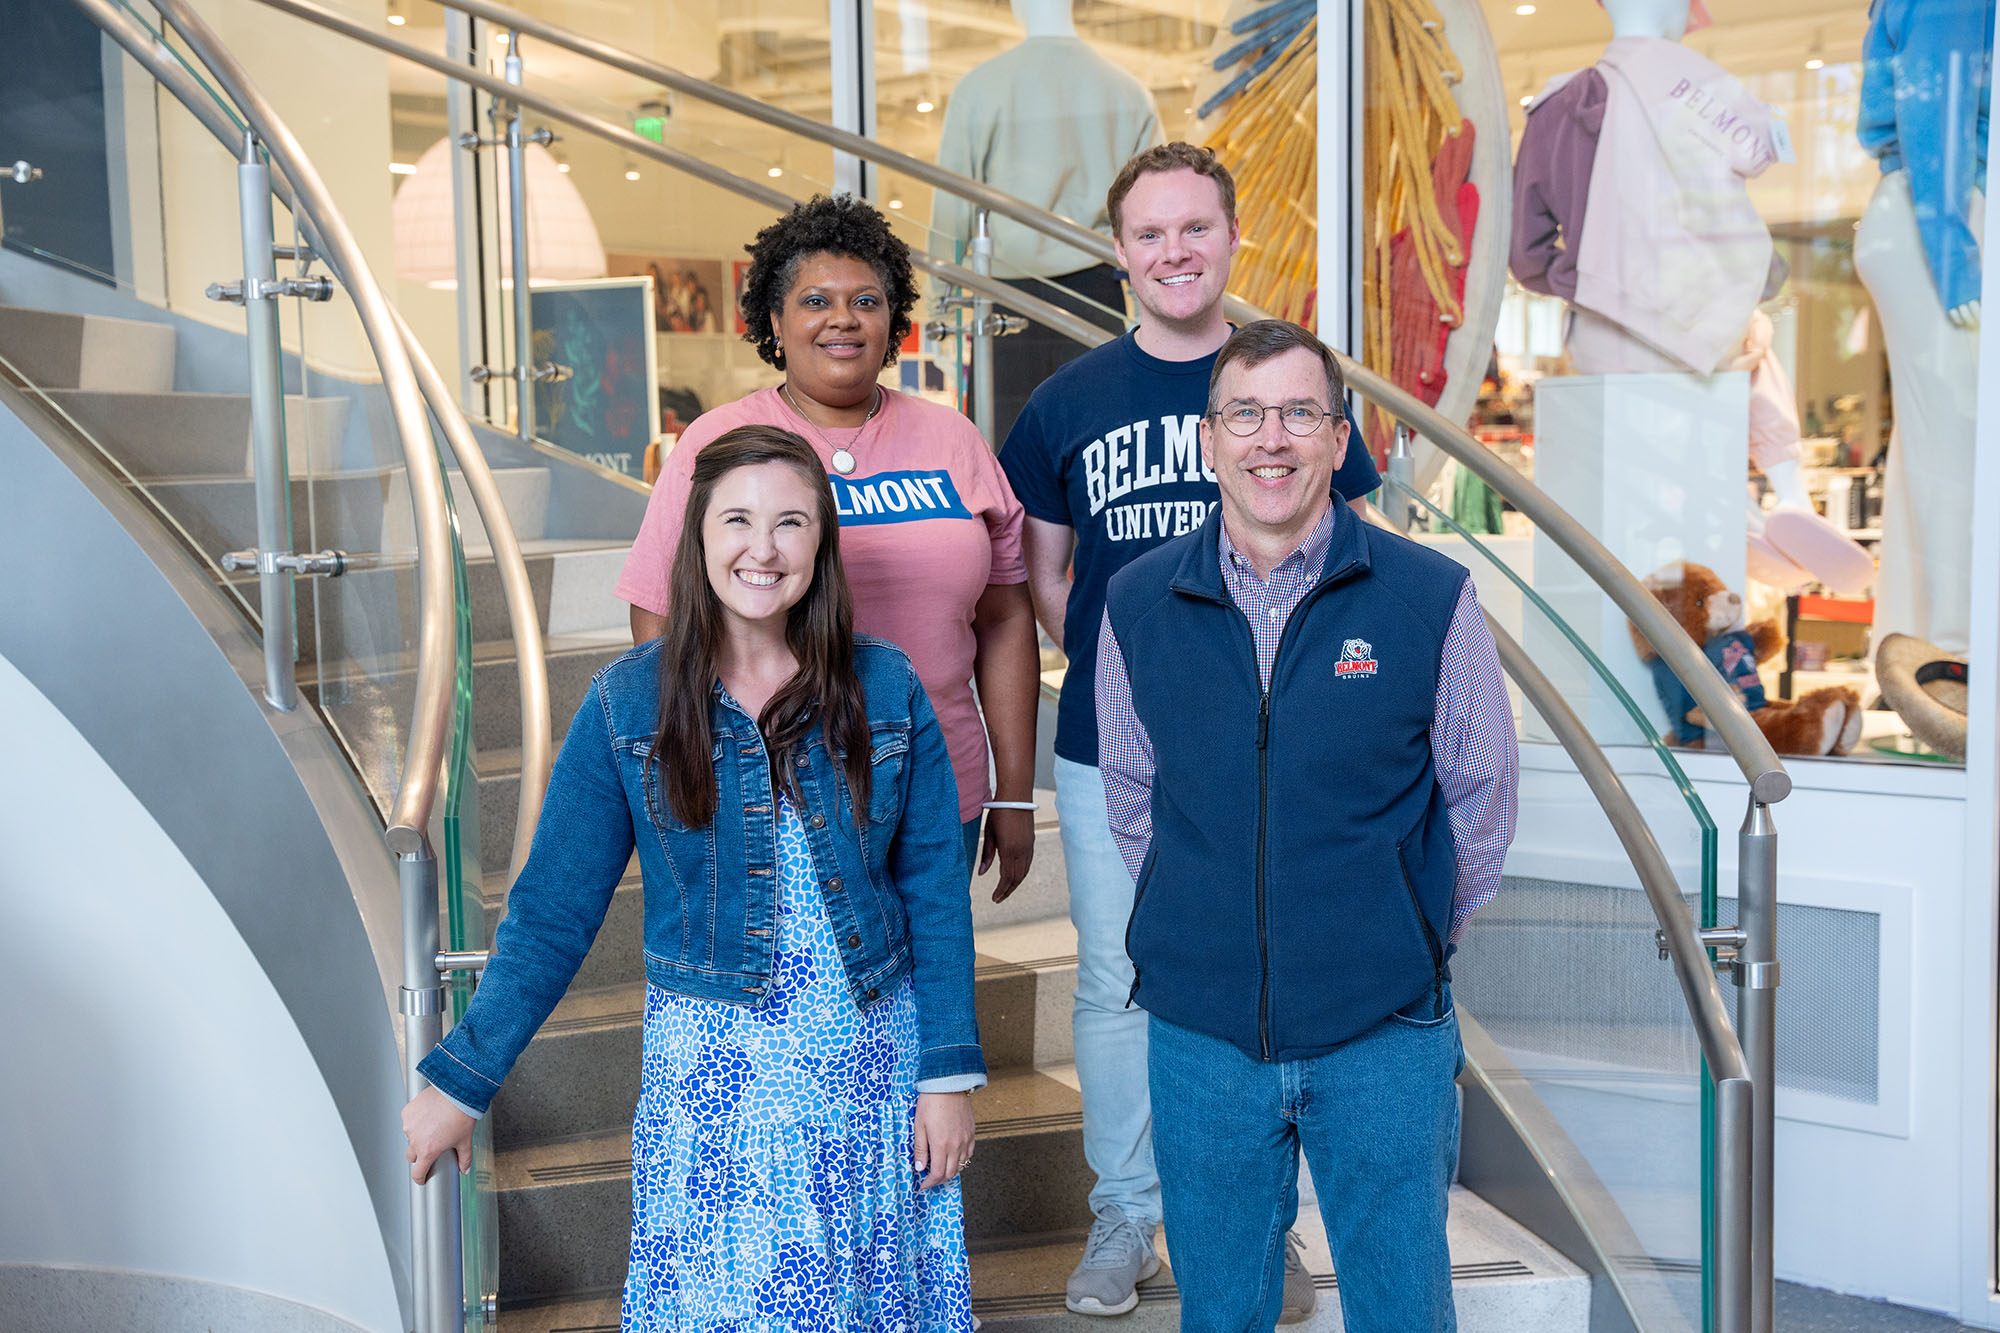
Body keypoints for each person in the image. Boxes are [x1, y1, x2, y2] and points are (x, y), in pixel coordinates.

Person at [402, 427, 984, 1330]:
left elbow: (937, 894)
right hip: (716, 1087)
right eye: (739, 519)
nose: (765, 547)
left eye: (792, 522)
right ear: (697, 537)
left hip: (867, 1069)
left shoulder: (887, 686)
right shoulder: (627, 703)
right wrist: (463, 1078)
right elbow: (553, 910)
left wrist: (946, 1074)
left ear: (822, 543)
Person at [997, 142, 1381, 1319]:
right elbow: (1041, 575)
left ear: (1229, 239)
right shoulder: (1065, 402)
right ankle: (1126, 1215)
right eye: (1149, 233)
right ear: (1119, 253)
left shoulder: (1294, 384)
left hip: (1274, 749)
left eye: (1194, 229)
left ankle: (1262, 1222)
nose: (1173, 252)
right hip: (1109, 749)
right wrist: (1135, 675)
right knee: (1119, 981)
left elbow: (1349, 555)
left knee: (1273, 976)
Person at [1096, 320, 1518, 1333]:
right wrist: (1208, 918)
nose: (1268, 438)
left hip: (1384, 1027)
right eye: (1243, 413)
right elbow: (1131, 794)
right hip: (1202, 1035)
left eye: (1297, 413)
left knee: (1400, 1305)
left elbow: (1479, 799)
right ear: (1209, 439)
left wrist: (1404, 933)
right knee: (1222, 1309)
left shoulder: (1428, 598)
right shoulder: (1137, 600)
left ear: (1338, 438)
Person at [620, 194, 1040, 901]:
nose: (843, 318)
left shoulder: (954, 441)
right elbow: (659, 617)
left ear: (893, 321)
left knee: (928, 993)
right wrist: (700, 764)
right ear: (775, 323)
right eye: (815, 299)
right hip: (773, 791)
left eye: (866, 300)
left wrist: (1016, 791)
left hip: (938, 787)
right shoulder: (719, 443)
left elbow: (1003, 619)